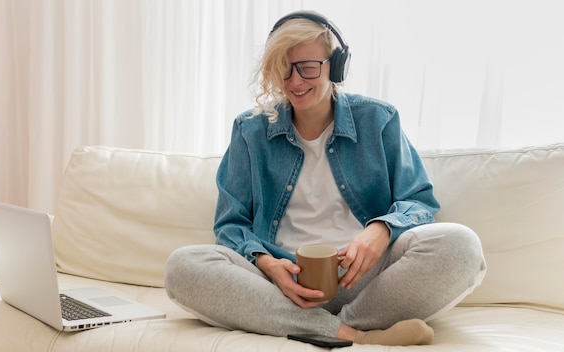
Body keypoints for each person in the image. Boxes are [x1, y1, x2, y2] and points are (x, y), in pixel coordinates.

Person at [164, 10, 486, 346]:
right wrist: (268, 264)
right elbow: (230, 224)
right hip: (279, 283)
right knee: (183, 265)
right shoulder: (250, 130)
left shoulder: (379, 120)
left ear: (336, 65)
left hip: (365, 278)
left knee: (460, 244)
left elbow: (419, 201)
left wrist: (379, 231)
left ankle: (321, 325)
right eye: (283, 70)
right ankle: (351, 334)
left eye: (307, 67)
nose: (294, 82)